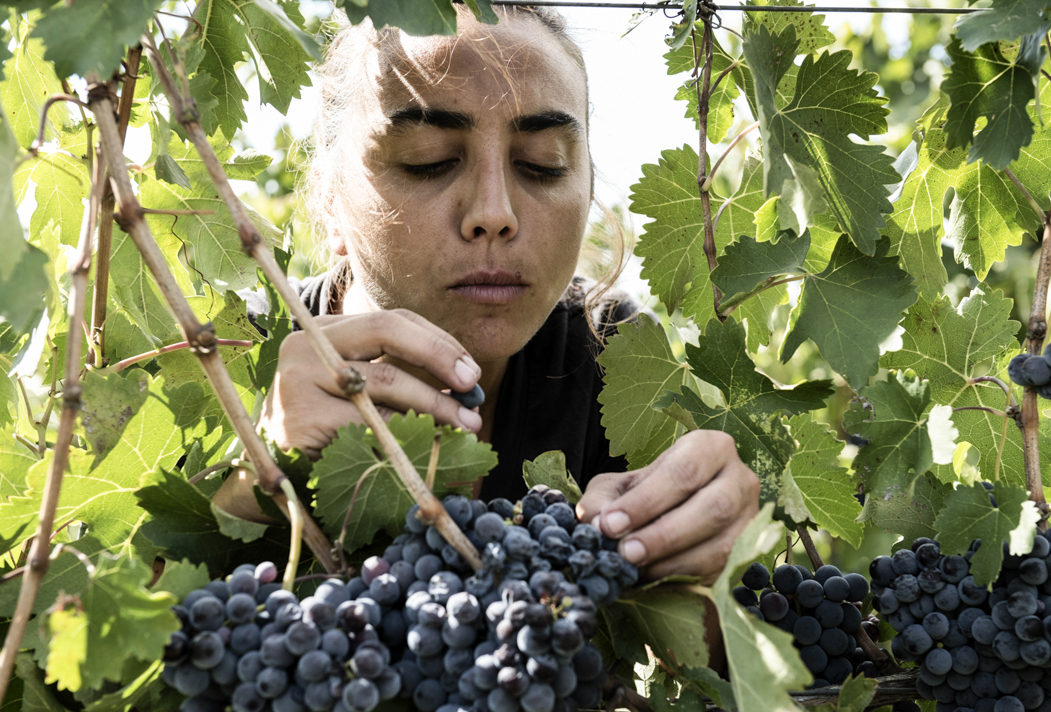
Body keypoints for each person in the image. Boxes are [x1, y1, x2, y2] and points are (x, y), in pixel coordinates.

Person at [216, 5, 759, 585]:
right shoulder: (222, 356)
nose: (494, 215)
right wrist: (250, 488)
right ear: (330, 197)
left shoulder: (616, 360)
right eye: (428, 161)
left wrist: (699, 562)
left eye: (542, 165)